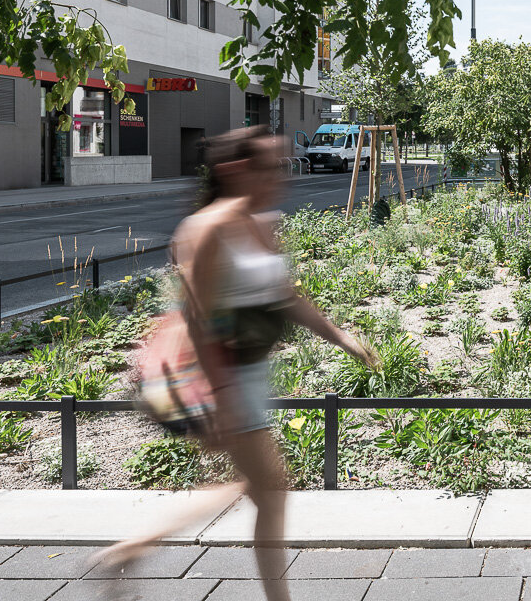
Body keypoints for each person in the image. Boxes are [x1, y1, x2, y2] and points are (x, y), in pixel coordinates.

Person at [94, 128, 379, 595]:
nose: (278, 177)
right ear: (233, 169)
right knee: (272, 489)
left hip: (248, 372)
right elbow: (199, 320)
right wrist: (222, 397)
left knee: (258, 485)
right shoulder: (205, 229)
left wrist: (341, 337)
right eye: (266, 167)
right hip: (212, 376)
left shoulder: (262, 222)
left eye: (280, 167)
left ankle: (130, 549)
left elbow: (285, 297)